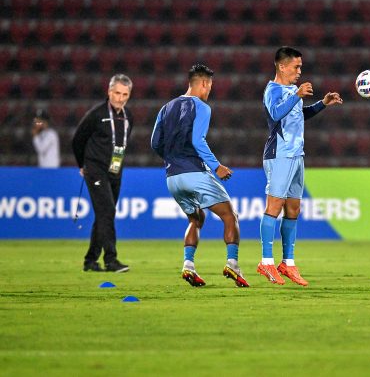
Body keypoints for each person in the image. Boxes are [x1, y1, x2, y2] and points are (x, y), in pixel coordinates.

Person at [151, 64, 248, 288]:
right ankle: (232, 264)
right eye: (210, 86)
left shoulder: (166, 108)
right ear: (204, 83)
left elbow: (155, 143)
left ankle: (188, 265)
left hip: (173, 178)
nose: (210, 90)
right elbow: (197, 141)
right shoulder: (202, 107)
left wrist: (172, 161)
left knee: (196, 218)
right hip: (195, 172)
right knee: (230, 215)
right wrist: (217, 166)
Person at [258, 46, 343, 286]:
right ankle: (266, 262)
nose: (299, 71)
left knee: (293, 209)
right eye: (296, 67)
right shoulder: (273, 90)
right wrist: (296, 94)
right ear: (282, 66)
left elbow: (298, 115)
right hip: (279, 154)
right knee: (274, 206)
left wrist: (322, 104)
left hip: (297, 155)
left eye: (301, 67)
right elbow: (275, 114)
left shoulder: (290, 91)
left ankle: (288, 263)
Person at [72, 74, 133, 272]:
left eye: (125, 94)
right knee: (107, 211)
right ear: (109, 92)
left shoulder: (127, 117)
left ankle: (90, 261)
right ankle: (111, 259)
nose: (120, 98)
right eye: (117, 93)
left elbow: (121, 143)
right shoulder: (96, 114)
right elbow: (78, 140)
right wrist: (83, 164)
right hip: (95, 169)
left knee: (103, 215)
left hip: (115, 170)